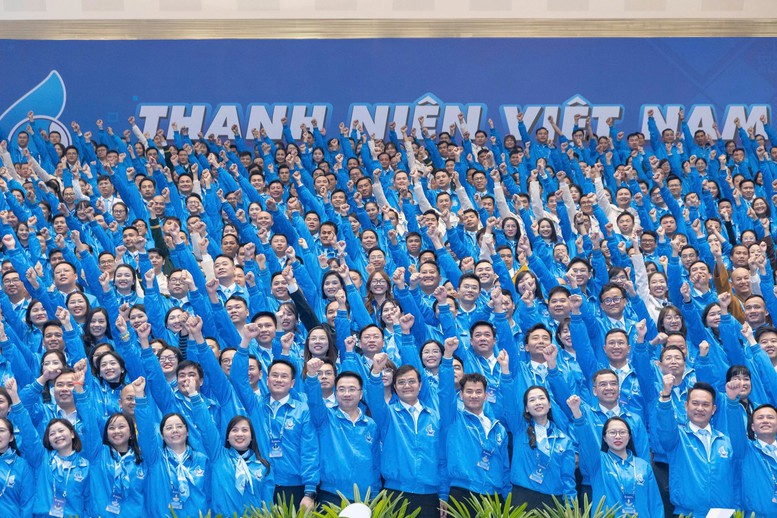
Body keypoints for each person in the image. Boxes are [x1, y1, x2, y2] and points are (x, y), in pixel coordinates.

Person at [367, 352, 441, 518]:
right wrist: (376, 372)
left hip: (429, 494)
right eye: (401, 382)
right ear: (395, 387)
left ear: (420, 385)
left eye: (411, 381)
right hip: (396, 493)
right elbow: (375, 400)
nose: (406, 386)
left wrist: (443, 493)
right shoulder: (387, 415)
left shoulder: (434, 417)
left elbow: (442, 458)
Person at [438, 337, 509, 510]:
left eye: (478, 392)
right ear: (461, 395)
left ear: (486, 395)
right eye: (469, 391)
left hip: (494, 496)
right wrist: (447, 356)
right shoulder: (453, 418)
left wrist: (508, 498)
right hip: (463, 492)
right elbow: (445, 392)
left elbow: (505, 466)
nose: (474, 396)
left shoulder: (498, 428)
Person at [501, 351, 576, 510]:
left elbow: (568, 479)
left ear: (550, 404)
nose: (538, 402)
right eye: (532, 400)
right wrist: (505, 371)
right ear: (526, 408)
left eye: (542, 398)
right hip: (522, 499)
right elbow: (509, 403)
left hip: (553, 503)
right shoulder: (519, 429)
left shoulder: (564, 439)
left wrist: (571, 508)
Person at [568, 394, 663, 517]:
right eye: (612, 432)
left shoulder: (643, 466)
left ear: (629, 436)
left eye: (622, 432)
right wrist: (576, 412)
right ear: (604, 437)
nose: (618, 436)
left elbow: (655, 505)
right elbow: (586, 439)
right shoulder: (598, 462)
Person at [656, 379, 739, 516]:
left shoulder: (725, 442)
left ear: (713, 409)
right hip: (687, 514)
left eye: (705, 404)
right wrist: (665, 396)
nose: (700, 408)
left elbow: (736, 482)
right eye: (695, 403)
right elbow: (665, 426)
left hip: (723, 514)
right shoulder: (677, 437)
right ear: (686, 406)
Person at [303, 358, 380, 505]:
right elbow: (314, 400)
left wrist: (375, 494)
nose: (347, 394)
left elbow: (375, 463)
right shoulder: (325, 417)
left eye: (352, 389)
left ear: (361, 394)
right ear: (336, 392)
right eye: (342, 389)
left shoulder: (371, 425)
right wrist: (312, 376)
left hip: (364, 497)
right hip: (331, 494)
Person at [72, 368, 146, 516]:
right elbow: (90, 422)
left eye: (121, 427)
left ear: (131, 434)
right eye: (111, 428)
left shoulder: (142, 457)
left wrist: (140, 396)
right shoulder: (98, 454)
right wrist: (79, 389)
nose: (116, 431)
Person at [134, 376, 211, 517]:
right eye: (169, 428)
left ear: (187, 432)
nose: (175, 430)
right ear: (162, 435)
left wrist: (194, 395)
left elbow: (211, 496)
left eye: (179, 426)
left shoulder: (201, 460)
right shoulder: (156, 460)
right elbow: (146, 432)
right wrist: (139, 396)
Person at [0, 379, 34, 516]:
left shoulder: (21, 465)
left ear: (11, 436)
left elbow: (27, 504)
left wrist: (14, 396)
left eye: (1, 431)